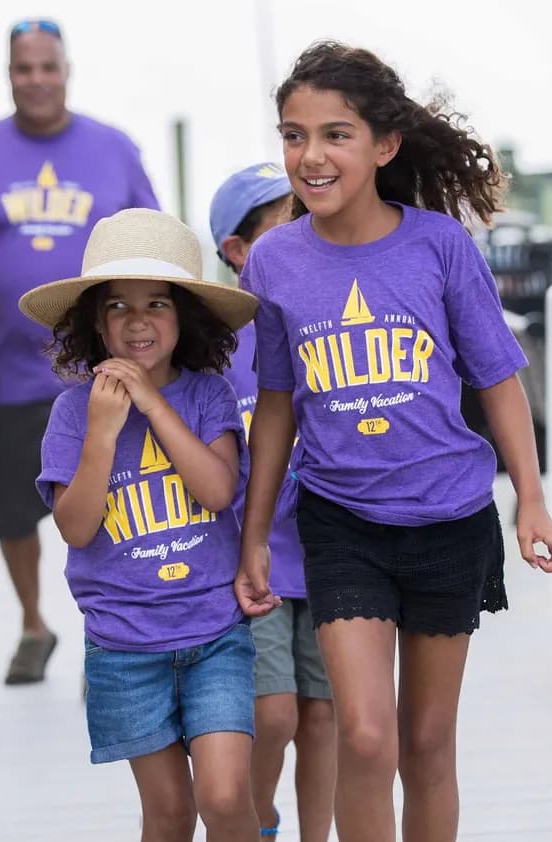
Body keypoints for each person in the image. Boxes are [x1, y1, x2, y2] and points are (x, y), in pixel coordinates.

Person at [235, 42, 552, 842]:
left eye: (335, 134)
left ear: (383, 147)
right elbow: (276, 405)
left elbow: (498, 379)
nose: (309, 156)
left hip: (450, 517)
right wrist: (253, 536)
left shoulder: (439, 246)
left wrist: (531, 501)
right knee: (364, 735)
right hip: (342, 521)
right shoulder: (275, 261)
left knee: (425, 745)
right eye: (293, 135)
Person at [0, 18, 160, 685]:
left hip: (101, 367)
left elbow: (149, 245)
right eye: (23, 69)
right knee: (11, 508)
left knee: (117, 493)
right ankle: (33, 621)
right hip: (6, 370)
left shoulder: (114, 150)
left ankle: (113, 624)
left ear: (66, 70)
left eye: (47, 67)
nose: (36, 79)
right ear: (9, 75)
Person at [22, 208, 261, 842]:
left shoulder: (208, 395)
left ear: (184, 318)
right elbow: (76, 528)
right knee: (170, 814)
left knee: (227, 794)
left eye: (157, 303)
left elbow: (217, 491)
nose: (137, 320)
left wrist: (153, 404)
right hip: (125, 645)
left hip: (214, 634)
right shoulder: (74, 413)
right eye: (118, 306)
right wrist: (103, 432)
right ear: (95, 324)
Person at [210, 163, 336, 840]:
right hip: (250, 559)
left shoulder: (323, 316)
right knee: (276, 711)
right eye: (286, 220)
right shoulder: (217, 345)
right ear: (237, 250)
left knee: (326, 714)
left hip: (331, 547)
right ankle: (254, 822)